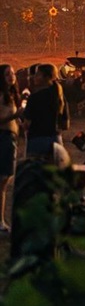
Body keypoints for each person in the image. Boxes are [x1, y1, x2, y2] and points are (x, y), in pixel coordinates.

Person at [23, 63, 68, 158]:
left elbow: (27, 124)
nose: (34, 77)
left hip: (37, 141)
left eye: (37, 74)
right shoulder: (60, 98)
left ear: (47, 77)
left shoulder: (34, 98)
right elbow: (65, 125)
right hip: (56, 140)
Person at [0, 65, 19, 232]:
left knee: (5, 181)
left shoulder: (11, 95)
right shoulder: (1, 96)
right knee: (3, 180)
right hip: (4, 138)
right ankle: (0, 222)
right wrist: (16, 114)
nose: (12, 76)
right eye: (7, 74)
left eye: (12, 73)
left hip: (10, 138)